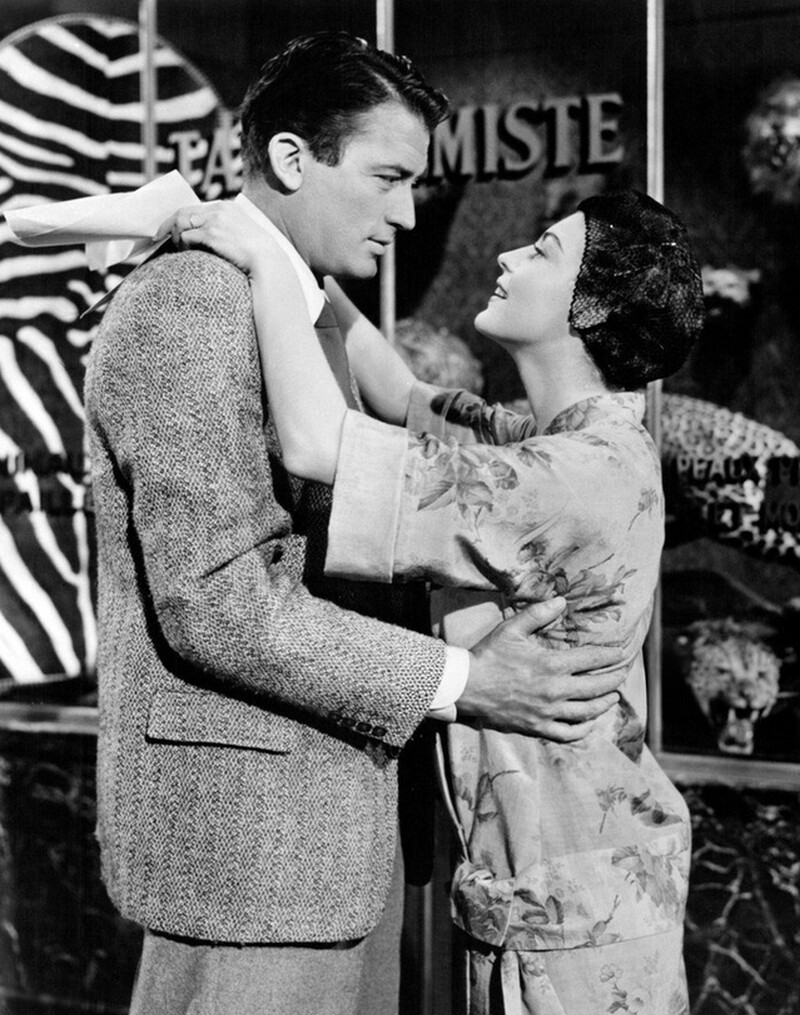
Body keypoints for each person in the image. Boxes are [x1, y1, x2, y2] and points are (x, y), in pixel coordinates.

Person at [83, 32, 630, 1015]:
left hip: (341, 840)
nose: (407, 213)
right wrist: (466, 679)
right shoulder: (191, 305)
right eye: (387, 177)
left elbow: (399, 409)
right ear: (292, 158)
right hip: (252, 865)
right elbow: (219, 604)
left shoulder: (302, 309)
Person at [174, 188, 704, 1014]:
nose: (508, 256)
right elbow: (400, 392)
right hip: (558, 897)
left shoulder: (571, 477)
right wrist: (298, 245)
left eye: (543, 251)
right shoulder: (565, 440)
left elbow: (317, 444)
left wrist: (262, 259)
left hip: (574, 928)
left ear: (594, 306)